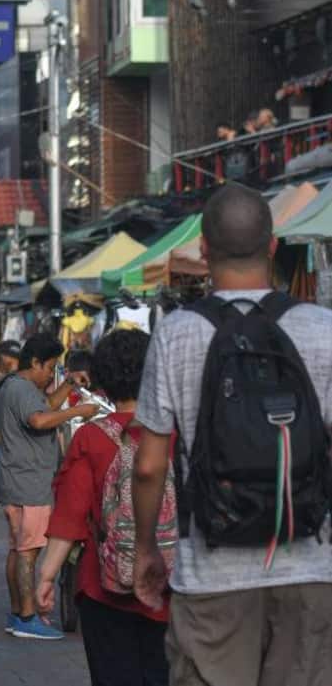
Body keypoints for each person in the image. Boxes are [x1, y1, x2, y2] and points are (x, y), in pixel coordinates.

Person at [133, 183, 332, 686]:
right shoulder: (321, 327)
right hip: (311, 570)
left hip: (212, 578)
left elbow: (150, 465)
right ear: (273, 246)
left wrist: (145, 550)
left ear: (202, 250)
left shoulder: (176, 333)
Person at [35, 328, 168, 686]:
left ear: (102, 381)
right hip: (172, 583)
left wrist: (47, 575)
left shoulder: (91, 437)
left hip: (104, 585)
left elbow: (70, 516)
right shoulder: (179, 436)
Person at [0, 334, 101, 640]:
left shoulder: (17, 387)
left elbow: (45, 408)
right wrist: (78, 412)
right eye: (50, 367)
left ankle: (18, 613)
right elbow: (40, 420)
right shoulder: (23, 389)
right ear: (36, 363)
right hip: (30, 482)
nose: (50, 374)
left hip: (17, 479)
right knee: (28, 552)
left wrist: (68, 385)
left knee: (18, 550)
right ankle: (28, 617)